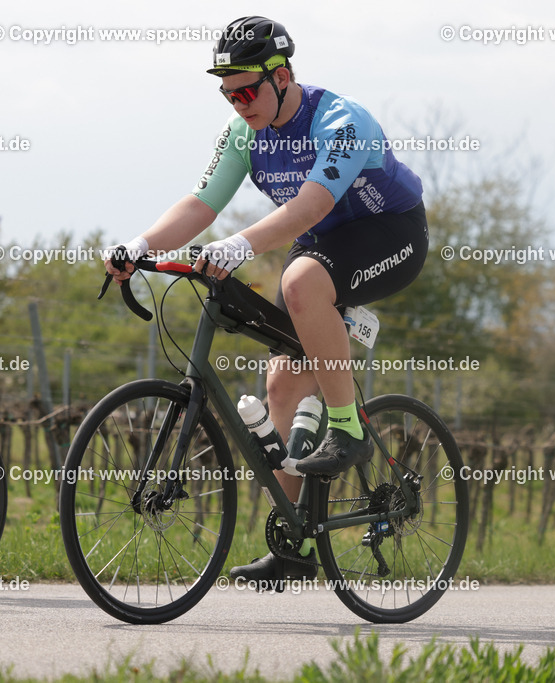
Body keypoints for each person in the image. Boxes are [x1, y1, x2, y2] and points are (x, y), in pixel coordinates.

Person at [105, 16, 428, 585]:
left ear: (282, 76)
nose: (238, 104)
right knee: (280, 381)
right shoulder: (244, 135)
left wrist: (238, 245)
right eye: (227, 93)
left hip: (390, 233)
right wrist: (141, 245)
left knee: (299, 283)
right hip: (324, 246)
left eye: (247, 90)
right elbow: (202, 203)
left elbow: (309, 208)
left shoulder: (339, 120)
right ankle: (295, 543)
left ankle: (349, 428)